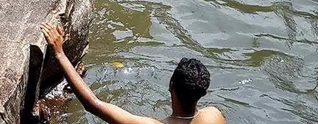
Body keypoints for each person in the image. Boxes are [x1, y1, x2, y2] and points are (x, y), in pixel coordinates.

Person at [40, 22, 226, 124]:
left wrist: (59, 53)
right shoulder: (214, 116)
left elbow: (93, 104)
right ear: (203, 92)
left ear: (171, 86)